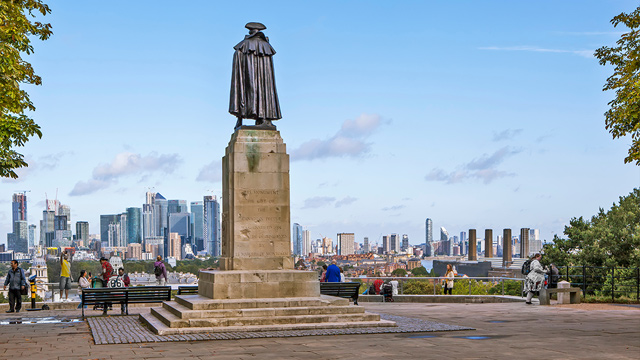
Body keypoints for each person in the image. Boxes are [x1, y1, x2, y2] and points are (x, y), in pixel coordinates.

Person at [229, 22, 282, 130]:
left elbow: (237, 64)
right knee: (264, 90)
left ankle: (248, 117)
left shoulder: (243, 45)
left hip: (248, 79)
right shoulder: (266, 46)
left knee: (248, 91)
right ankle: (264, 117)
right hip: (263, 83)